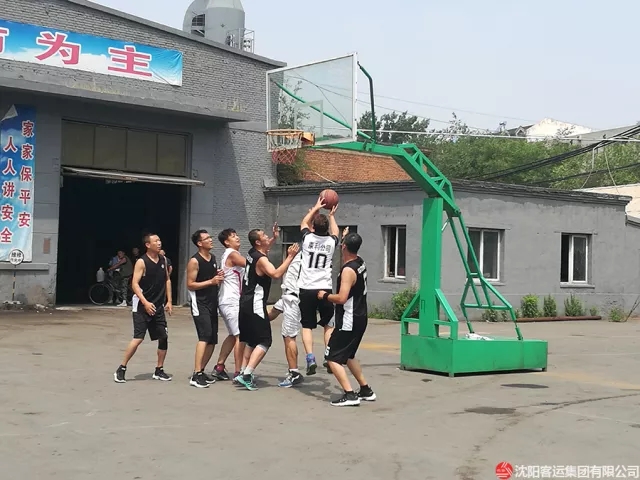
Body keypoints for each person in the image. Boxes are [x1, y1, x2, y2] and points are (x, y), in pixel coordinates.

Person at [234, 229, 299, 390]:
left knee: (251, 341)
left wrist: (274, 238)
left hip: (245, 302)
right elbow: (275, 274)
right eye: (264, 236)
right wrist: (290, 257)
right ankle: (247, 374)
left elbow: (264, 248)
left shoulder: (252, 253)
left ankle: (243, 372)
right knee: (265, 341)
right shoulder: (261, 260)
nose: (266, 237)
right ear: (257, 242)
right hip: (255, 304)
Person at [318, 231, 376, 406]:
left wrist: (324, 296)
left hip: (349, 320)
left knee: (332, 358)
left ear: (344, 246)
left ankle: (350, 395)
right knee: (349, 355)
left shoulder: (348, 270)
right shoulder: (360, 262)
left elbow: (342, 298)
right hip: (360, 316)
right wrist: (345, 237)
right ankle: (365, 390)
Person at [113, 233, 173, 383]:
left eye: (160, 240)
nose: (159, 243)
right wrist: (145, 302)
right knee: (138, 338)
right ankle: (121, 368)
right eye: (156, 241)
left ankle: (159, 369)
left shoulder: (164, 260)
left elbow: (167, 279)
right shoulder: (142, 262)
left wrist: (169, 301)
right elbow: (134, 284)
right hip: (141, 306)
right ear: (147, 245)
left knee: (163, 337)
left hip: (158, 306)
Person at [298, 196, 340, 376]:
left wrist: (316, 207)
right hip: (324, 288)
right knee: (328, 325)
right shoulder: (331, 242)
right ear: (327, 228)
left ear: (313, 227)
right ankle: (329, 356)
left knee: (307, 326)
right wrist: (332, 215)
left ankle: (310, 357)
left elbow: (303, 223)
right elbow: (336, 232)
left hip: (306, 287)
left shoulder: (307, 238)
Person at [186, 229, 225, 388]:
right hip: (200, 303)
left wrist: (218, 275)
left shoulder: (213, 258)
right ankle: (196, 374)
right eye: (207, 238)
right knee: (204, 336)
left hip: (212, 302)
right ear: (199, 243)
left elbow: (212, 277)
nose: (210, 240)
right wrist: (211, 281)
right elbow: (190, 284)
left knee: (212, 339)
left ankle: (201, 371)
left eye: (210, 237)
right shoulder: (194, 261)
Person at [268, 247, 304, 388]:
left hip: (293, 298)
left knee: (289, 336)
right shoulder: (306, 254)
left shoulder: (306, 255)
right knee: (272, 313)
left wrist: (290, 256)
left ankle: (294, 373)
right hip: (287, 295)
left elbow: (276, 274)